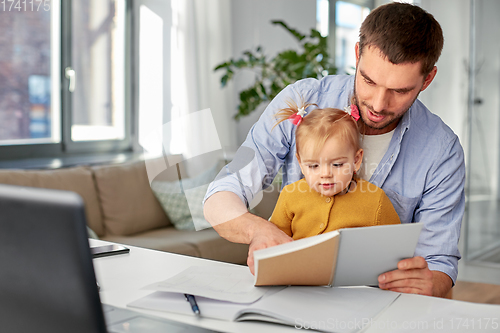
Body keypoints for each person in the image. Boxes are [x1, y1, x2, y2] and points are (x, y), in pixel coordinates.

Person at [204, 2, 465, 298]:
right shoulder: (302, 101)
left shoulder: (441, 151)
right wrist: (257, 230)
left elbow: (439, 265)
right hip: (295, 295)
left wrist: (433, 282)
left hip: (379, 304)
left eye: (400, 90)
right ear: (357, 55)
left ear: (427, 79)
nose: (379, 104)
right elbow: (221, 194)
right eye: (369, 80)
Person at [270, 104, 400, 238]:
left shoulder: (375, 200)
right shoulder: (290, 196)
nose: (325, 174)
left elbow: (396, 245)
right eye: (313, 166)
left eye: (337, 164)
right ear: (301, 164)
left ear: (356, 161)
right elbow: (274, 243)